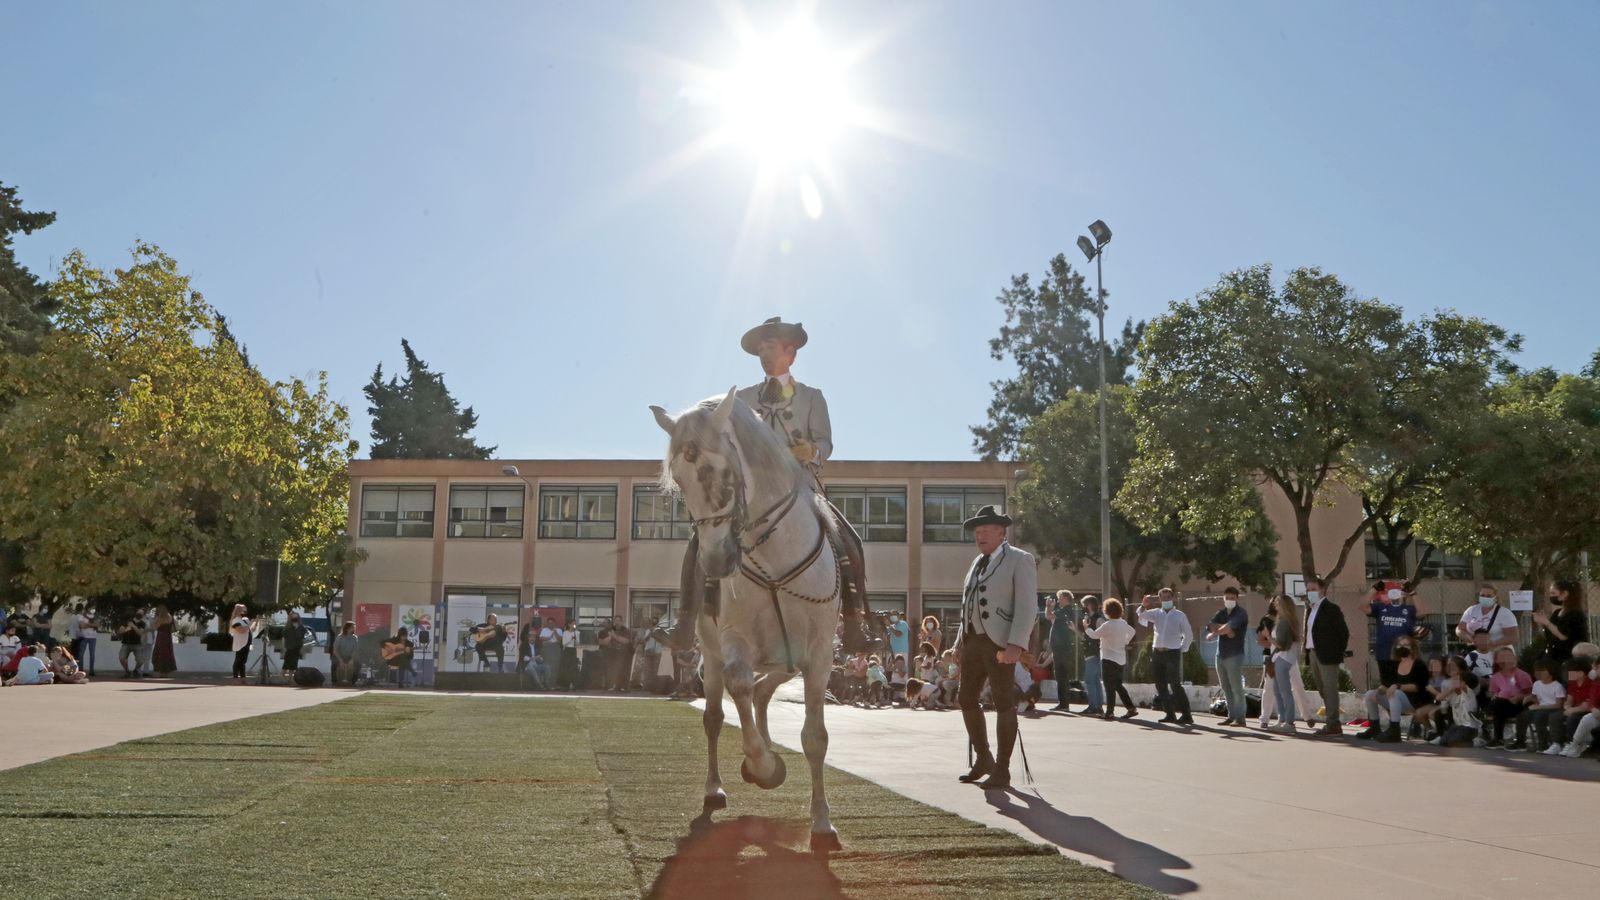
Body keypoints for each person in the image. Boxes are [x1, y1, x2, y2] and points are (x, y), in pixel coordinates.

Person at [669, 316, 879, 655]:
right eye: (760, 350)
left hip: (800, 488)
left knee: (848, 539)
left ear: (790, 352)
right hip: (751, 492)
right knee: (700, 540)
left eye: (770, 348)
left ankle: (855, 624)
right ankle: (684, 623)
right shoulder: (740, 399)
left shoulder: (812, 397)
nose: (764, 355)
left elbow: (825, 442)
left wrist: (813, 451)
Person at [955, 505, 1038, 790]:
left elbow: (1027, 606)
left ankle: (1002, 769)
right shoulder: (976, 563)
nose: (980, 536)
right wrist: (959, 642)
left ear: (1002, 532)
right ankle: (984, 758)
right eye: (977, 531)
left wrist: (1017, 644)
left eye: (986, 530)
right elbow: (966, 604)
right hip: (974, 640)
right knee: (966, 698)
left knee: (1003, 701)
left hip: (1001, 642)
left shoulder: (1019, 559)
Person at [1137, 587, 1194, 726]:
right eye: (1163, 597)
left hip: (1172, 652)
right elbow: (1142, 615)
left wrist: (1182, 648)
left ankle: (1186, 714)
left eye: (1168, 597)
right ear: (1160, 599)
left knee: (1175, 684)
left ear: (1173, 598)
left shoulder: (1179, 615)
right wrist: (1143, 605)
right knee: (1160, 684)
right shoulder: (1156, 613)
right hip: (1157, 652)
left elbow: (1188, 634)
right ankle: (1170, 714)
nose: (1166, 599)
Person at [1357, 635, 1429, 742]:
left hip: (1414, 702)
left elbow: (1419, 687)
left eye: (1406, 645)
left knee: (1396, 693)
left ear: (1412, 648)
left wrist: (1398, 686)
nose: (1402, 648)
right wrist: (1380, 689)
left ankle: (1394, 731)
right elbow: (1388, 685)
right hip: (1394, 701)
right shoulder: (1393, 665)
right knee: (1370, 694)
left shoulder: (1419, 665)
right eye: (1399, 645)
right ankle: (1374, 728)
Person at [1302, 577, 1349, 736]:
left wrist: (1337, 651)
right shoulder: (1311, 609)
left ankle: (1333, 724)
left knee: (1330, 689)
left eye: (1313, 589)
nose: (1310, 592)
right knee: (1322, 689)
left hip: (1328, 655)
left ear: (1322, 590)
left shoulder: (1331, 609)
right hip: (1313, 653)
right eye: (1308, 590)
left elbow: (1343, 632)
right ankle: (1331, 722)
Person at [1087, 599, 1137, 719]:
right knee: (1118, 685)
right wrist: (1125, 641)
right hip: (1120, 658)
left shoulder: (1108, 625)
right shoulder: (1123, 623)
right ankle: (1130, 708)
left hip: (1108, 658)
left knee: (1109, 686)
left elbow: (1094, 635)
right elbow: (1132, 631)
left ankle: (1110, 712)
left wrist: (1086, 627)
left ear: (1107, 611)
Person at [1206, 587, 1250, 726]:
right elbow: (1211, 625)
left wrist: (1217, 631)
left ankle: (1240, 718)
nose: (1229, 600)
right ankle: (1231, 716)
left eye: (1232, 597)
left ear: (1237, 598)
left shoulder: (1241, 613)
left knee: (1236, 688)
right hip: (1220, 654)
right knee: (1225, 687)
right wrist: (1224, 630)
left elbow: (1229, 627)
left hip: (1235, 655)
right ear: (1223, 598)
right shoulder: (1221, 613)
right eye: (1227, 597)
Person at [1268, 594, 1304, 735]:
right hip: (1285, 658)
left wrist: (1269, 637)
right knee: (1278, 690)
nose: (1275, 605)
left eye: (1277, 603)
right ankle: (1283, 719)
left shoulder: (1284, 622)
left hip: (1282, 658)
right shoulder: (1288, 621)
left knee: (1284, 691)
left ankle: (1288, 722)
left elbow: (1282, 644)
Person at [1367, 585, 1416, 686]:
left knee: (1403, 683)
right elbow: (1362, 606)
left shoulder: (1409, 609)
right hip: (1384, 654)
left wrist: (1412, 593)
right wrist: (1374, 589)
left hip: (1403, 655)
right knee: (1387, 685)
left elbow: (1422, 611)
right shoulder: (1380, 607)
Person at [1515, 661, 1567, 753]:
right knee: (1522, 716)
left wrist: (1538, 707)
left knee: (1539, 717)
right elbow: (1537, 698)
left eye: (1542, 671)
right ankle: (1520, 742)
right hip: (1539, 708)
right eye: (1537, 671)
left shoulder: (1557, 686)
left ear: (1550, 671)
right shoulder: (1537, 684)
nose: (1539, 673)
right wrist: (1529, 698)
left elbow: (1558, 705)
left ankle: (1543, 744)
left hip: (1552, 709)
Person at [1431, 657, 1483, 747]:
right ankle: (1443, 736)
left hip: (1470, 727)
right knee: (1443, 742)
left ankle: (1477, 741)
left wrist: (1455, 682)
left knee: (1453, 742)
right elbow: (1439, 698)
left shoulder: (1468, 692)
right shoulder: (1453, 692)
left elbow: (1461, 683)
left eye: (1459, 680)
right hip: (1458, 725)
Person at [1532, 580, 1588, 665]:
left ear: (1565, 594)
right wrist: (1541, 621)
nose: (1551, 596)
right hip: (1555, 655)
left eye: (1553, 593)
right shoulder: (1557, 612)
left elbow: (1563, 636)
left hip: (1570, 657)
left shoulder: (1575, 614)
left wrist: (1546, 622)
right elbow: (1550, 633)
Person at [1485, 647, 1532, 747]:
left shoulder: (1522, 675)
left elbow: (1531, 694)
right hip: (1502, 704)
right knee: (1497, 705)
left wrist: (1519, 697)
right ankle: (1498, 739)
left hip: (1518, 704)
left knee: (1498, 705)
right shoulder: (1496, 677)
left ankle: (1503, 739)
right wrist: (1494, 695)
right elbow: (1492, 692)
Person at [1553, 660, 1600, 757]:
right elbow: (1569, 700)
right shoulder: (1573, 684)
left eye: (1570, 672)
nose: (1567, 674)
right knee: (1556, 717)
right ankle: (1559, 744)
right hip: (1589, 711)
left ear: (1581, 673)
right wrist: (1567, 708)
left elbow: (1586, 705)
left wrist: (1572, 710)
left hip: (1583, 711)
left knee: (1573, 718)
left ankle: (1573, 743)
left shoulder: (1591, 683)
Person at [1455, 585, 1517, 651]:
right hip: (1477, 651)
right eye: (1482, 595)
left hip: (1499, 652)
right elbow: (1460, 629)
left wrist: (1494, 643)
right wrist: (1471, 639)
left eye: (1488, 596)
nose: (1485, 598)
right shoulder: (1471, 610)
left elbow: (1513, 636)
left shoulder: (1505, 613)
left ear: (1495, 598)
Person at [1044, 590, 1077, 712]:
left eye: (1059, 598)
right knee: (1061, 675)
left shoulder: (1065, 610)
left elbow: (1049, 616)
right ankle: (1063, 703)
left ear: (1064, 598)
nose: (1058, 601)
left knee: (1061, 675)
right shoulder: (1066, 611)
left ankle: (1063, 703)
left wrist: (1048, 606)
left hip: (1061, 647)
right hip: (1062, 647)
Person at [116, 614, 147, 679]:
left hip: (137, 644)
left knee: (140, 660)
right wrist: (125, 630)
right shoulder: (126, 622)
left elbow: (140, 633)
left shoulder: (142, 623)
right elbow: (119, 632)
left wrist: (134, 626)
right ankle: (127, 671)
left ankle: (135, 670)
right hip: (126, 644)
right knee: (122, 658)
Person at [227, 604, 252, 681]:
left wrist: (255, 621)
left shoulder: (242, 620)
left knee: (243, 661)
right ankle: (235, 678)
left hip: (245, 643)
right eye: (243, 610)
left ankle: (242, 678)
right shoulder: (236, 620)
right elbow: (241, 630)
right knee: (238, 661)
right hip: (240, 644)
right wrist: (249, 624)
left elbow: (249, 629)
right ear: (239, 611)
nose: (245, 611)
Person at [151, 605, 177, 677]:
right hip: (168, 637)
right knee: (168, 653)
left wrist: (155, 620)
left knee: (160, 653)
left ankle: (161, 672)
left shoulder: (160, 618)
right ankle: (166, 672)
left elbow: (154, 627)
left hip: (161, 636)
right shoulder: (169, 616)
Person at [281, 611, 306, 679]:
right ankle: (283, 678)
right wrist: (283, 647)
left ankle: (290, 678)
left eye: (296, 618)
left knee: (293, 665)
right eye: (293, 618)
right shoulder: (287, 628)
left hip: (297, 648)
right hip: (289, 648)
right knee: (286, 665)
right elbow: (284, 638)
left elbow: (302, 638)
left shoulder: (301, 628)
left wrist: (302, 648)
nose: (295, 619)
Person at [74, 605, 98, 676]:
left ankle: (91, 671)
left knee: (92, 654)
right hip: (84, 637)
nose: (93, 609)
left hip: (93, 637)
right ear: (87, 609)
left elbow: (97, 625)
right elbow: (81, 626)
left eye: (93, 608)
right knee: (81, 654)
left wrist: (87, 624)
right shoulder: (82, 616)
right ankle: (80, 669)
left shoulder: (95, 616)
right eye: (91, 608)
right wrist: (92, 625)